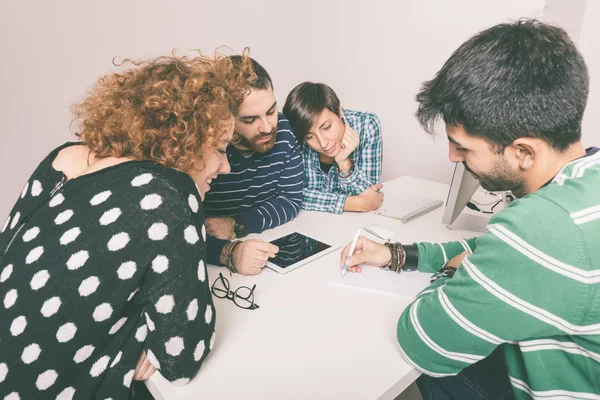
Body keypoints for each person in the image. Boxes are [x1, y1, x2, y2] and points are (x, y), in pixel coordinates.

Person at [340, 20, 599, 399]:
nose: (451, 156)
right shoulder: (582, 186)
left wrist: (448, 272)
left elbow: (423, 340)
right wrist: (398, 255)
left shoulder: (545, 228)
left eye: (462, 147)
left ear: (523, 152)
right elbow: (496, 254)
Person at [0, 53, 253, 399]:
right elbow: (181, 359)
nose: (225, 168)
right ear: (184, 139)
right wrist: (141, 328)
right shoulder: (168, 194)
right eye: (221, 150)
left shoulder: (62, 159)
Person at [202, 56, 304, 275]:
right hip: (210, 266)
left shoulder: (284, 131)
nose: (267, 127)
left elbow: (290, 199)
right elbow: (175, 229)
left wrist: (234, 224)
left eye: (271, 111)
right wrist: (226, 251)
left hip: (262, 248)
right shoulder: (204, 146)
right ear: (224, 118)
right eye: (250, 120)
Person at [283, 82, 383, 214]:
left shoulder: (366, 126)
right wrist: (355, 203)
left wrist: (345, 164)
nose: (323, 143)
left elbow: (372, 196)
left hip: (352, 226)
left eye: (326, 127)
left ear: (339, 111)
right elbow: (290, 195)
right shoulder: (295, 135)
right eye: (309, 136)